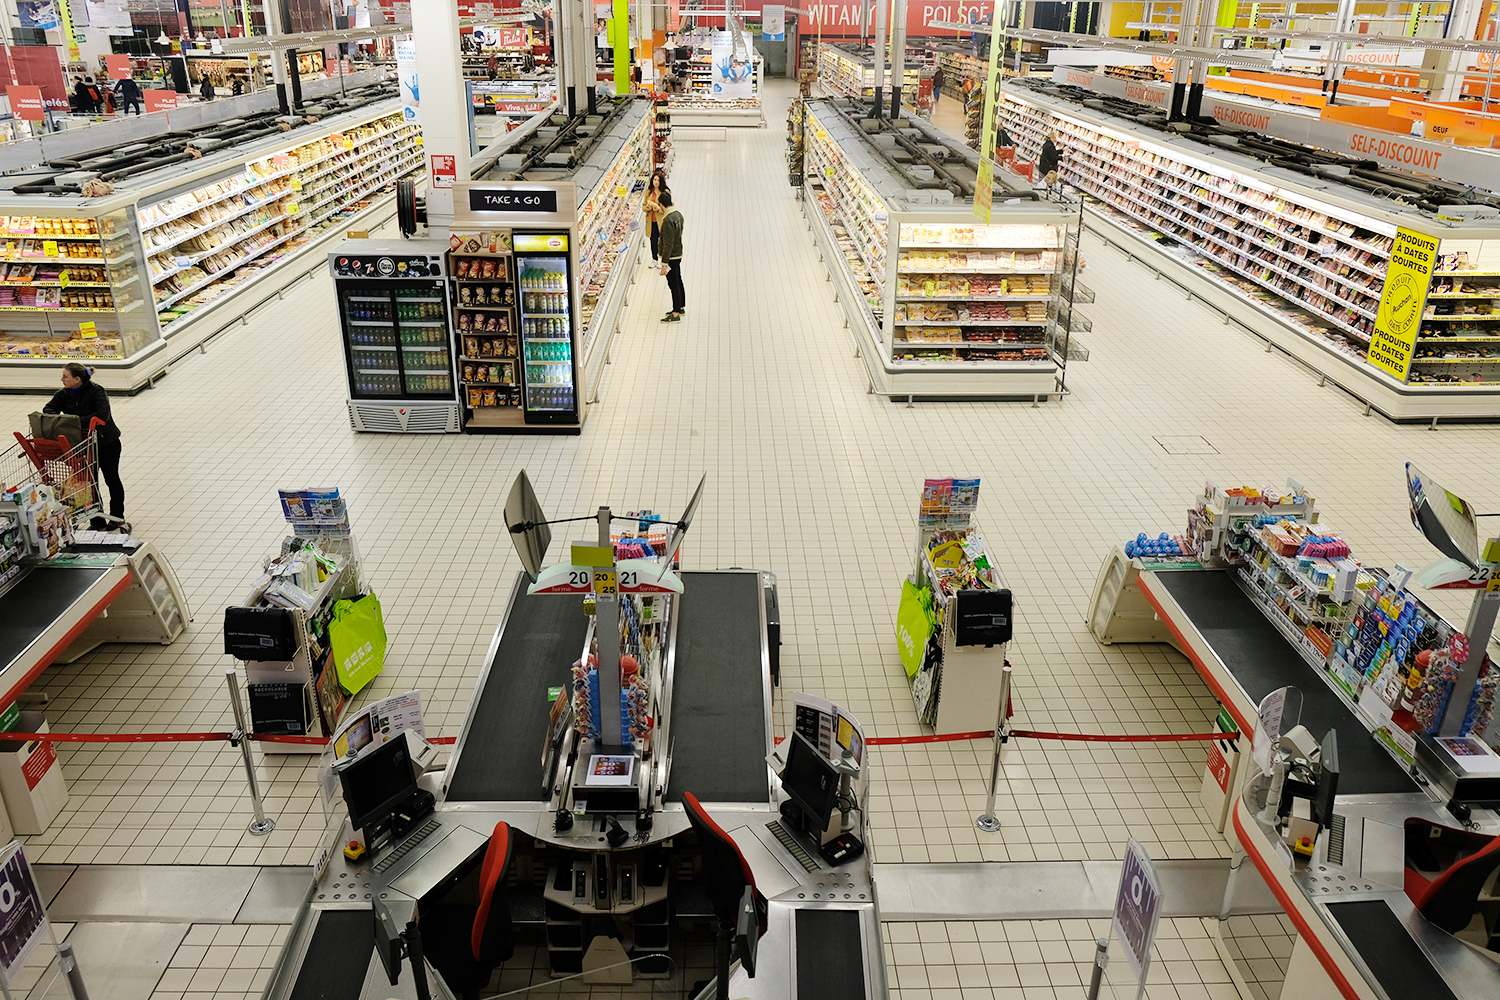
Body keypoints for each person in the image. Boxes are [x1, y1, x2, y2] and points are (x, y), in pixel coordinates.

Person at [44, 363, 124, 530]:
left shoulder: (97, 391)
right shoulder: (62, 394)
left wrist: (73, 422)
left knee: (111, 478)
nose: (62, 379)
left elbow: (102, 414)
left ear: (77, 379)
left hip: (106, 442)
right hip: (84, 445)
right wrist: (60, 421)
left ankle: (117, 516)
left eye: (65, 376)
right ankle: (96, 519)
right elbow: (48, 409)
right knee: (89, 483)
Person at [657, 191, 685, 323]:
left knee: (673, 284)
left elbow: (668, 243)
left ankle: (675, 314)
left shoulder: (668, 220)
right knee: (678, 281)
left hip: (671, 257)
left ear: (661, 205)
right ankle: (680, 307)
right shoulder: (678, 215)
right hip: (678, 253)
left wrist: (664, 263)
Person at [643, 171, 669, 268]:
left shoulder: (665, 193)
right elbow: (643, 206)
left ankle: (664, 260)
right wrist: (647, 208)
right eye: (654, 179)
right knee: (653, 241)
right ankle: (654, 259)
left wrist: (658, 209)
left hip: (661, 221)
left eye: (658, 180)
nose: (656, 182)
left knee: (662, 241)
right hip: (651, 221)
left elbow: (668, 208)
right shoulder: (649, 192)